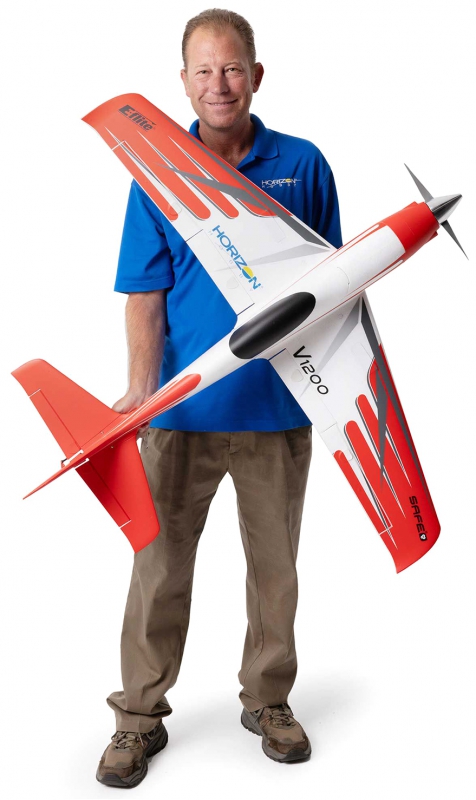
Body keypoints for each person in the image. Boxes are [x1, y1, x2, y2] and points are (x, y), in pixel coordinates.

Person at [97, 8, 342, 787]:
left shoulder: (302, 164)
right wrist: (140, 392)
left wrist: (333, 391)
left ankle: (268, 701)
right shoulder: (157, 172)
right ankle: (137, 718)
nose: (219, 84)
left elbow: (334, 287)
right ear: (183, 82)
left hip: (278, 411)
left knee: (276, 574)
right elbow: (145, 292)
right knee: (158, 573)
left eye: (232, 68)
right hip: (183, 413)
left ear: (256, 75)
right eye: (204, 70)